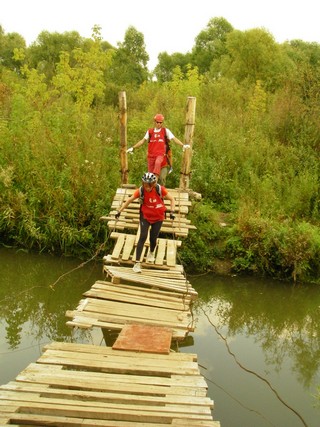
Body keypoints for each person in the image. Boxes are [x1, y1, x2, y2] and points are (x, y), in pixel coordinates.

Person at [115, 172, 176, 273]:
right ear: (143, 183)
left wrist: (172, 212)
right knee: (142, 236)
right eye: (145, 185)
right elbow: (129, 200)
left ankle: (151, 252)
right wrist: (119, 211)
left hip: (158, 217)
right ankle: (137, 263)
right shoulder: (141, 190)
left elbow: (172, 199)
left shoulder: (160, 189)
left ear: (154, 183)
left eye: (150, 185)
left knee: (153, 238)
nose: (147, 188)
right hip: (145, 216)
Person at [126, 114, 190, 180]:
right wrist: (133, 148)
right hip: (151, 156)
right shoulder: (150, 132)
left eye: (160, 122)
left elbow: (174, 138)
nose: (159, 124)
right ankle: (152, 187)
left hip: (160, 155)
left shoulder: (165, 131)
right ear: (154, 122)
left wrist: (183, 145)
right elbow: (142, 141)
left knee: (158, 163)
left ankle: (156, 179)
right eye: (157, 122)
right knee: (150, 176)